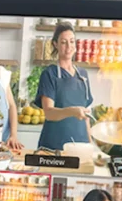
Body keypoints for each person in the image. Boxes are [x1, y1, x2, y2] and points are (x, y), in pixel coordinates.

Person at [37, 22, 93, 150]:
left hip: (81, 146)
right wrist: (72, 111)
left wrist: (91, 147)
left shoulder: (83, 76)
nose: (69, 46)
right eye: (63, 42)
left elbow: (86, 118)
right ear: (55, 44)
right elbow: (49, 113)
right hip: (54, 146)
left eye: (72, 41)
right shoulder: (49, 74)